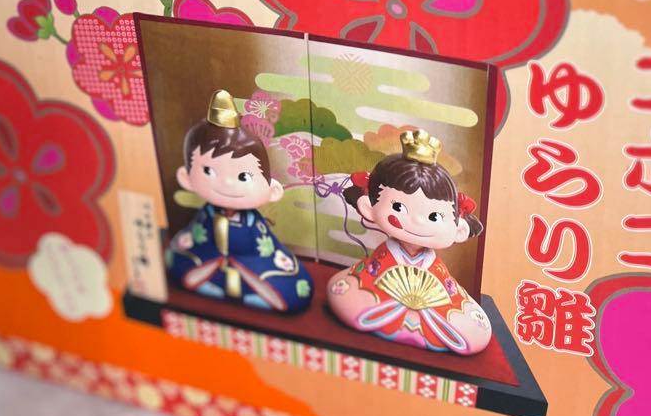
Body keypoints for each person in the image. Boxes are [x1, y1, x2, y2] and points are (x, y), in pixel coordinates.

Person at [327, 129, 492, 355]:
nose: (417, 221)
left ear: (458, 230)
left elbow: (448, 298)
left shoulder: (434, 268)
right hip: (382, 302)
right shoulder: (384, 257)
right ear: (368, 207)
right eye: (398, 207)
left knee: (472, 328)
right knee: (348, 296)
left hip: (433, 314)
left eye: (435, 217)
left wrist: (424, 306)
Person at [165, 90, 313, 313]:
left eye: (243, 176)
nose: (226, 183)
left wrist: (239, 259)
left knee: (294, 291)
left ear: (272, 190)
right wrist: (216, 257)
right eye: (208, 171)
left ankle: (252, 294)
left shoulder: (253, 223)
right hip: (212, 266)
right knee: (177, 262)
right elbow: (196, 239)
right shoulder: (206, 215)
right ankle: (217, 287)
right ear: (186, 178)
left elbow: (265, 249)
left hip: (251, 267)